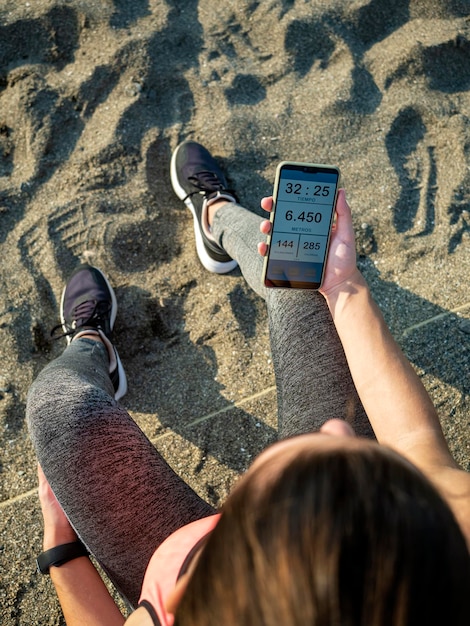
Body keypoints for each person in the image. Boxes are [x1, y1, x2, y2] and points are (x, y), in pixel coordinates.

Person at [27, 141, 470, 626]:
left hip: (175, 562)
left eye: (328, 496)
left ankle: (93, 346)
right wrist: (345, 284)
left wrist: (63, 550)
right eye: (373, 484)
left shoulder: (181, 601)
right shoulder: (444, 557)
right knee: (304, 282)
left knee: (58, 408)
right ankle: (215, 216)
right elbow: (414, 445)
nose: (340, 432)